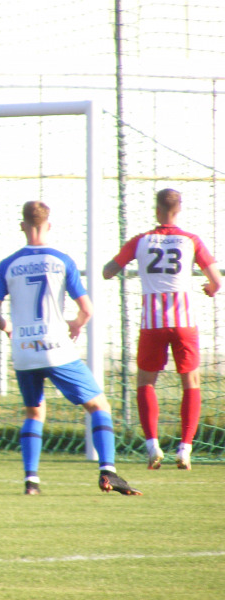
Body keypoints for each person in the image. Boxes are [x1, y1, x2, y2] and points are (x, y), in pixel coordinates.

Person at [0, 201, 141, 495]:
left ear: (22, 226)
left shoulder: (8, 264)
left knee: (33, 413)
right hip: (55, 347)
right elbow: (87, 309)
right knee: (98, 406)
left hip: (24, 348)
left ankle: (31, 482)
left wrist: (9, 329)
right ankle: (108, 470)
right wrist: (77, 323)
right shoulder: (62, 261)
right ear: (49, 225)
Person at [103, 189, 221, 470]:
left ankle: (152, 445)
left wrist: (123, 263)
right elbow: (216, 281)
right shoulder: (191, 240)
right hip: (184, 322)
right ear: (178, 211)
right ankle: (185, 449)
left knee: (145, 382)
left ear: (156, 211)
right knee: (191, 383)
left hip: (152, 322)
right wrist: (208, 288)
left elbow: (108, 271)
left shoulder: (141, 241)